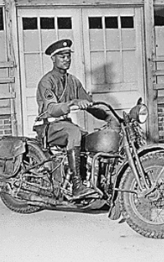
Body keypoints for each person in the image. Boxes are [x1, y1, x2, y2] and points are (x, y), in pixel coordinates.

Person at [35, 39, 116, 199]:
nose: (66, 59)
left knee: (89, 138)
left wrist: (109, 117)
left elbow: (90, 104)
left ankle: (91, 181)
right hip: (47, 126)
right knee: (74, 133)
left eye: (68, 56)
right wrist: (73, 102)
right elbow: (52, 109)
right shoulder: (47, 81)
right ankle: (76, 186)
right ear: (53, 58)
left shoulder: (73, 81)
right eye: (61, 56)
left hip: (64, 125)